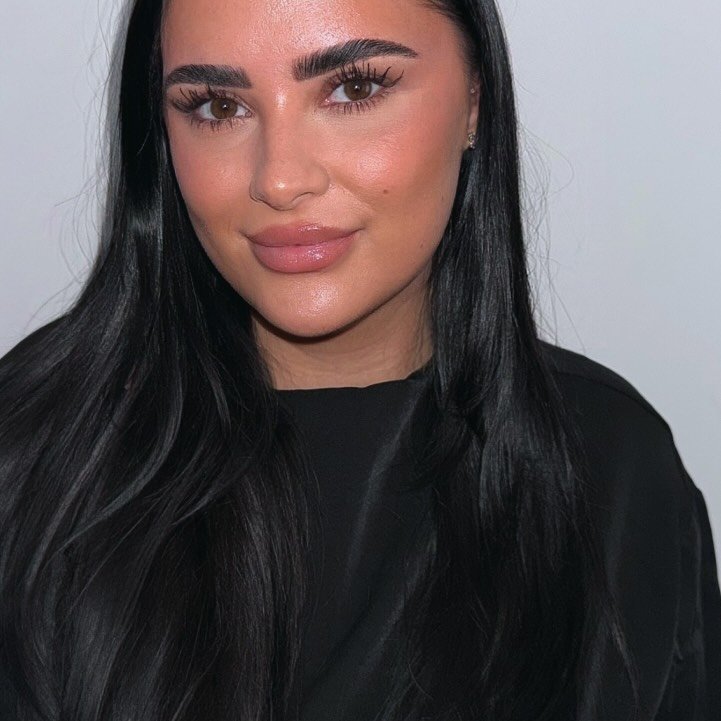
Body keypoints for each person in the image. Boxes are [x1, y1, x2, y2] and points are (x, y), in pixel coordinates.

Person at [0, 0, 718, 719]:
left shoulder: (615, 473)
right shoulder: (30, 459)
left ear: (474, 99)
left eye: (354, 88)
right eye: (218, 106)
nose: (280, 179)